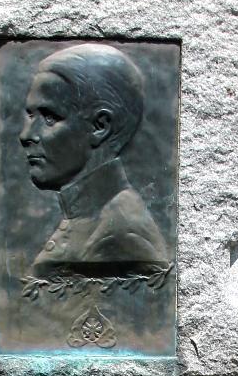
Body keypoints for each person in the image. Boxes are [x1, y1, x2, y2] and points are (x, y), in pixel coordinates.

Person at [18, 43, 168, 276]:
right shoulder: (88, 220)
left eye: (49, 117)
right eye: (30, 116)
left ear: (100, 127)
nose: (26, 135)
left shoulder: (120, 239)